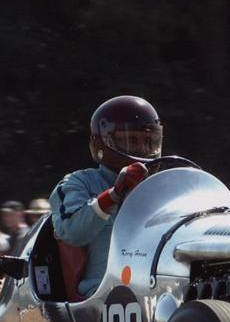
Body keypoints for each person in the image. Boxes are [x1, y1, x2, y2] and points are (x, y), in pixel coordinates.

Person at [50, 95, 160, 298]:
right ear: (103, 143)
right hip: (104, 295)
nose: (143, 150)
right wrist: (114, 195)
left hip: (162, 289)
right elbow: (71, 231)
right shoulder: (79, 182)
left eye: (148, 141)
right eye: (132, 140)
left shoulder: (164, 185)